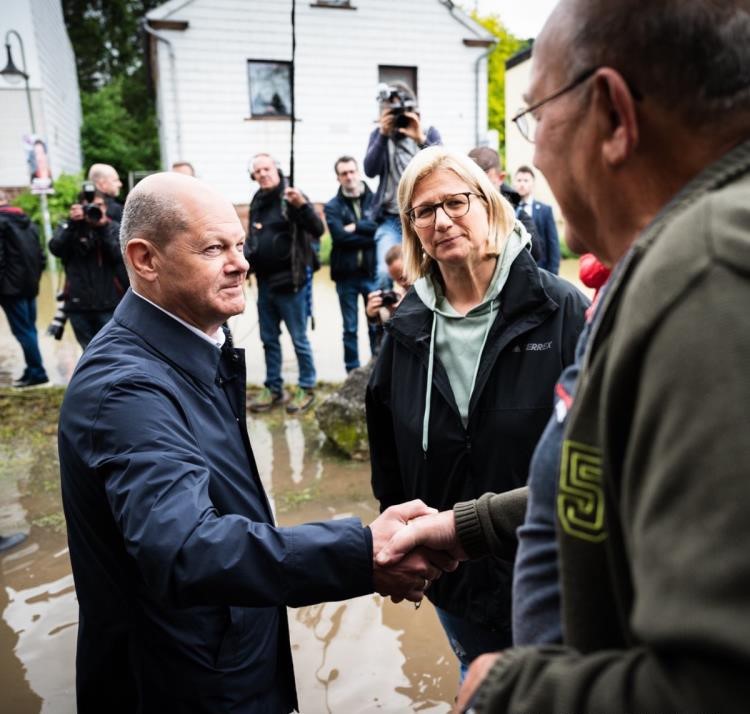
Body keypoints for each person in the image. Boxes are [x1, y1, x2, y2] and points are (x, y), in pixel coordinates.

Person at [379, 0, 750, 711]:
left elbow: (722, 679)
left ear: (612, 116)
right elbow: (602, 474)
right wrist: (464, 526)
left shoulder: (709, 279)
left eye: (536, 115)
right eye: (423, 211)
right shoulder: (662, 265)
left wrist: (513, 693)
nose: (536, 152)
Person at [58, 171, 457, 713]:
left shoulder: (192, 348)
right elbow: (184, 547)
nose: (241, 264)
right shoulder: (128, 387)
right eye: (214, 248)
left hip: (226, 655)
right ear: (145, 260)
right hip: (183, 684)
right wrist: (360, 552)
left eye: (240, 245)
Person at [366, 147, 588, 684]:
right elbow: (390, 465)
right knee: (479, 682)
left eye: (456, 202)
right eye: (424, 211)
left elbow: (604, 459)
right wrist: (403, 552)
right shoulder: (406, 329)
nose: (441, 220)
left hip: (554, 578)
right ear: (412, 228)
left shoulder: (562, 311)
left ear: (489, 204)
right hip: (458, 582)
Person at [244, 153, 323, 414]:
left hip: (292, 281)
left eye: (266, 168)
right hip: (265, 282)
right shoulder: (258, 200)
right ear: (253, 175)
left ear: (276, 169)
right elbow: (253, 238)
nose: (263, 174)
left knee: (298, 338)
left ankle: (307, 387)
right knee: (268, 339)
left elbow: (317, 229)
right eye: (257, 171)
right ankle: (274, 388)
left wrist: (301, 205)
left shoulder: (292, 195)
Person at [364, 82, 442, 289]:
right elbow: (370, 170)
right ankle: (383, 320)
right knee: (383, 273)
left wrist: (420, 139)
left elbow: (443, 166)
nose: (396, 116)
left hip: (422, 215)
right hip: (390, 218)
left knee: (428, 271)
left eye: (399, 110)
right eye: (390, 111)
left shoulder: (427, 131)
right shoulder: (379, 135)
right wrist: (382, 135)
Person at [48, 188, 128, 350]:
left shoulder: (112, 227)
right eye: (87, 206)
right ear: (79, 208)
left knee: (113, 352)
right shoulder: (69, 227)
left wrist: (102, 227)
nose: (93, 208)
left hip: (109, 305)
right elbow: (55, 249)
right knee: (88, 352)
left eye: (98, 205)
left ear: (105, 208)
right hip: (77, 307)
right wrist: (71, 225)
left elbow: (119, 255)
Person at [323, 155, 378, 372]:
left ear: (358, 172)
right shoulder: (332, 206)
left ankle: (377, 369)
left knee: (376, 324)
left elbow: (379, 231)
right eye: (344, 173)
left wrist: (354, 227)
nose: (349, 177)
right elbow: (339, 237)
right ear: (338, 178)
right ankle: (352, 372)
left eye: (352, 171)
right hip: (346, 276)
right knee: (350, 328)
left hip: (372, 273)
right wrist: (368, 231)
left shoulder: (375, 200)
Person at [0, 190, 49, 387]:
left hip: (10, 288)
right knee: (29, 330)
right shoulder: (27, 222)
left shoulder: (2, 223)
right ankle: (32, 368)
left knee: (23, 332)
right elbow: (41, 256)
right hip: (30, 285)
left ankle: (38, 373)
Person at [467, 146, 543, 265]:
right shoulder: (458, 214)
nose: (480, 193)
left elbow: (535, 253)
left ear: (501, 178)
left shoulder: (517, 214)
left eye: (486, 185)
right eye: (473, 185)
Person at [513, 165, 561, 274]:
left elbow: (553, 244)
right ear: (514, 183)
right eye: (519, 180)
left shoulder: (545, 210)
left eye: (526, 181)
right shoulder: (509, 209)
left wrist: (553, 275)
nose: (522, 184)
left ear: (532, 184)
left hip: (540, 270)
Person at [365, 244, 411, 329]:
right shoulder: (399, 296)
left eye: (403, 277)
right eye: (397, 280)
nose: (402, 283)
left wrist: (407, 307)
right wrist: (371, 315)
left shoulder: (431, 287)